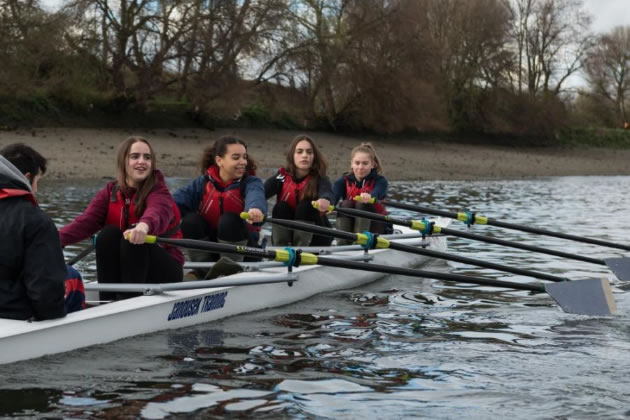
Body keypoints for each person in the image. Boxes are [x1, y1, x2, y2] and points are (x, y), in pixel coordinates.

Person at [59, 136, 184, 300]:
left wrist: (143, 227)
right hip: (129, 267)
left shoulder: (159, 191)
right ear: (123, 161)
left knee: (131, 239)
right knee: (107, 234)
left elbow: (157, 212)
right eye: (135, 156)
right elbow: (85, 222)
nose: (142, 161)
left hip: (166, 271)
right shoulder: (110, 192)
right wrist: (54, 239)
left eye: (147, 157)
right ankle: (107, 299)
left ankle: (127, 302)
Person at [0, 143, 84, 320]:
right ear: (27, 178)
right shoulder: (36, 220)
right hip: (15, 315)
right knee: (73, 277)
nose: (36, 190)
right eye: (38, 182)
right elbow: (46, 297)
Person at [173, 136, 266, 277]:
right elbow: (173, 204)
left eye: (244, 157)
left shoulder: (251, 183)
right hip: (210, 252)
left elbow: (256, 196)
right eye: (236, 157)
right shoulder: (201, 184)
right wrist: (148, 220)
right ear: (219, 160)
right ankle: (203, 270)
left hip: (246, 252)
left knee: (228, 220)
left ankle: (231, 270)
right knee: (190, 221)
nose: (243, 162)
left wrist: (255, 209)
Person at [264, 134, 334, 247]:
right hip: (287, 236)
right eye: (299, 152)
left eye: (309, 152)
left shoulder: (321, 179)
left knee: (306, 205)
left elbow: (328, 193)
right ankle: (281, 248)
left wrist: (325, 200)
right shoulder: (281, 177)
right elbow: (260, 193)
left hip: (317, 239)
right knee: (280, 207)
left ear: (314, 157)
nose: (305, 155)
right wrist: (253, 206)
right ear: (292, 156)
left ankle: (301, 249)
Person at [333, 142, 390, 245]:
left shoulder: (381, 181)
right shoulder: (343, 181)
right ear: (351, 164)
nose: (360, 167)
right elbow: (333, 197)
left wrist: (371, 196)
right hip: (351, 227)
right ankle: (342, 242)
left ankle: (359, 243)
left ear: (372, 164)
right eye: (357, 163)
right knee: (345, 204)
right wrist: (327, 203)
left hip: (376, 225)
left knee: (362, 203)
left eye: (365, 163)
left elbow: (378, 191)